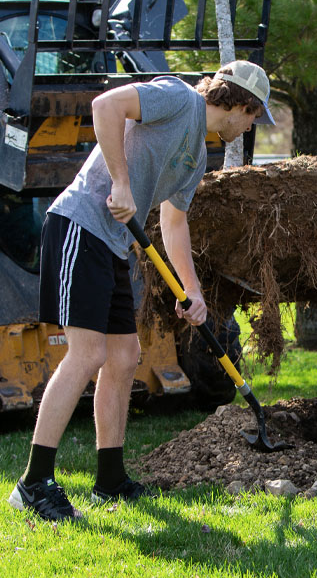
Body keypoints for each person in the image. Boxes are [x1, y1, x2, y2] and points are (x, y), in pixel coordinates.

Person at [8, 60, 275, 521]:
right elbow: (105, 105)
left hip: (112, 245)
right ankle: (34, 483)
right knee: (87, 354)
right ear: (239, 103)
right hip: (81, 225)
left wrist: (193, 291)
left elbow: (173, 221)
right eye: (253, 117)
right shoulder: (178, 99)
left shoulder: (197, 154)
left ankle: (110, 480)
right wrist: (122, 181)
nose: (251, 126)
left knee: (125, 358)